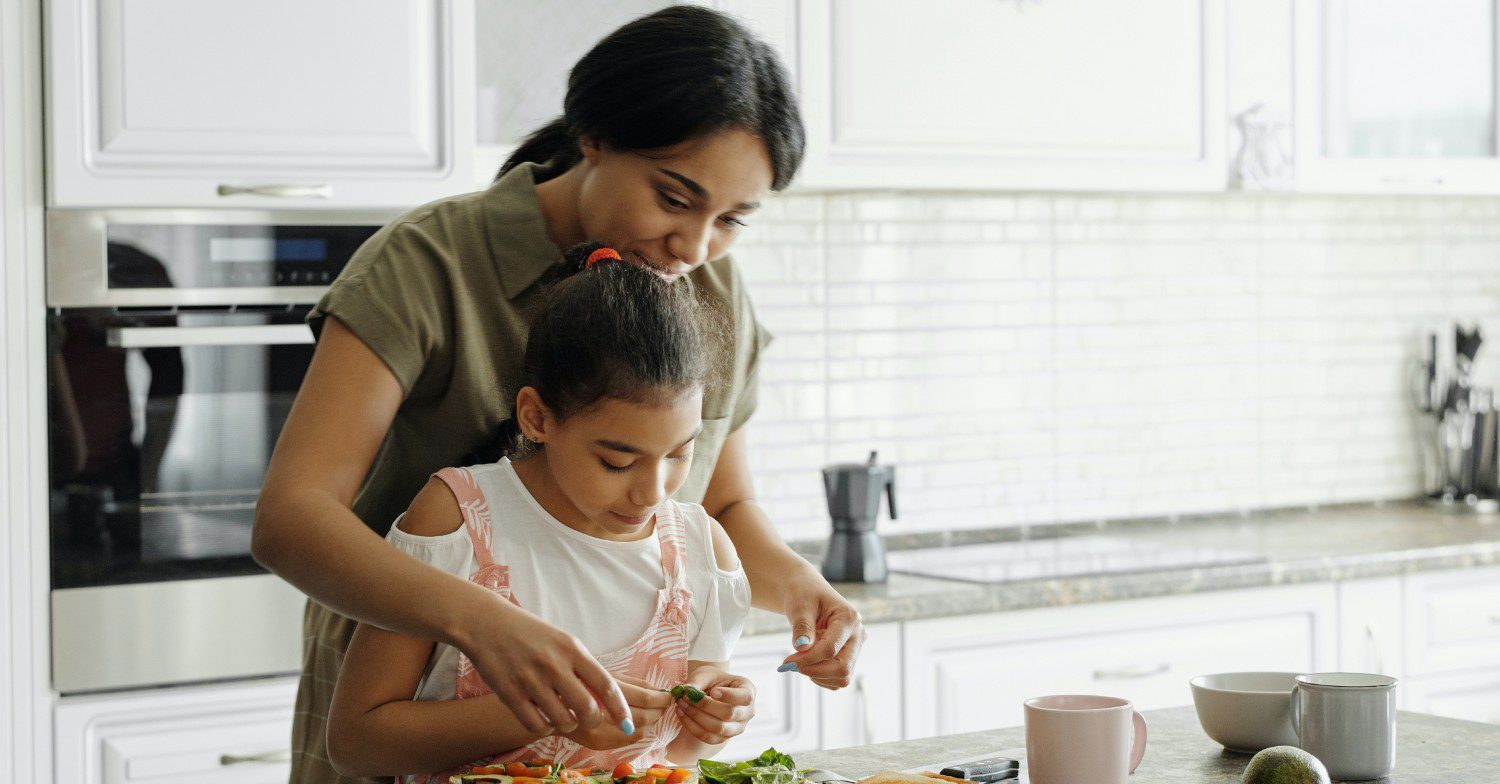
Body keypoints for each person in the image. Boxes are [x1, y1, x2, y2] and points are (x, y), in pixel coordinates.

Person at [251, 7, 866, 784]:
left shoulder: (709, 287)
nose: (696, 246)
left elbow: (724, 510)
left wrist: (805, 592)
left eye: (733, 220)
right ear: (595, 139)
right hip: (410, 715)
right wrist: (483, 624)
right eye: (674, 199)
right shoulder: (427, 264)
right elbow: (290, 519)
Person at [327, 243, 752, 782]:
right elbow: (357, 744)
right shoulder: (457, 520)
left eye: (678, 454)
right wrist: (544, 715)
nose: (653, 492)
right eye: (617, 461)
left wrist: (716, 713)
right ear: (536, 417)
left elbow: (681, 755)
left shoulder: (699, 549)